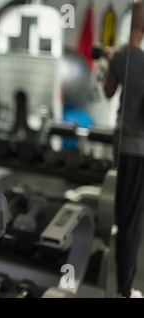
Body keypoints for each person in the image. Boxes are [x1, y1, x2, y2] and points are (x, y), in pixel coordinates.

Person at [103, 1, 144, 298]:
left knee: (114, 213)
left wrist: (108, 64)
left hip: (119, 146)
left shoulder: (118, 56)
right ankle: (125, 290)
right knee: (131, 222)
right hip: (139, 150)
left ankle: (105, 277)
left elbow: (107, 92)